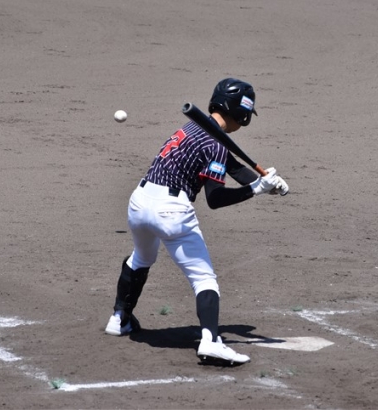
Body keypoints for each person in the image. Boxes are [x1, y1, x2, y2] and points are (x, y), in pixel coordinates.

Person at [104, 78, 289, 365]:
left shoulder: (193, 128)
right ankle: (211, 342)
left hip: (139, 204)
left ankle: (120, 319)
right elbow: (215, 199)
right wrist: (255, 190)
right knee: (204, 279)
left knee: (141, 257)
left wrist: (267, 183)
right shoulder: (216, 144)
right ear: (240, 113)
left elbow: (232, 166)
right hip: (171, 213)